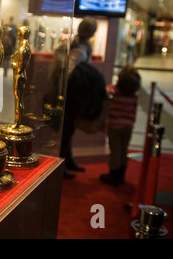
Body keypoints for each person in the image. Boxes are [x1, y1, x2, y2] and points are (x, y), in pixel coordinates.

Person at [60, 17, 98, 178]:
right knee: (67, 129)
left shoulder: (78, 43)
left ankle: (68, 160)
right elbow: (68, 69)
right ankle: (63, 164)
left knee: (69, 129)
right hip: (72, 94)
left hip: (71, 93)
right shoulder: (81, 48)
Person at [100, 65, 141, 186]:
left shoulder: (113, 91)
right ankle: (121, 175)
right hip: (128, 126)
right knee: (124, 149)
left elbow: (105, 96)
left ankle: (113, 174)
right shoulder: (134, 96)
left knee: (115, 150)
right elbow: (133, 112)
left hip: (115, 126)